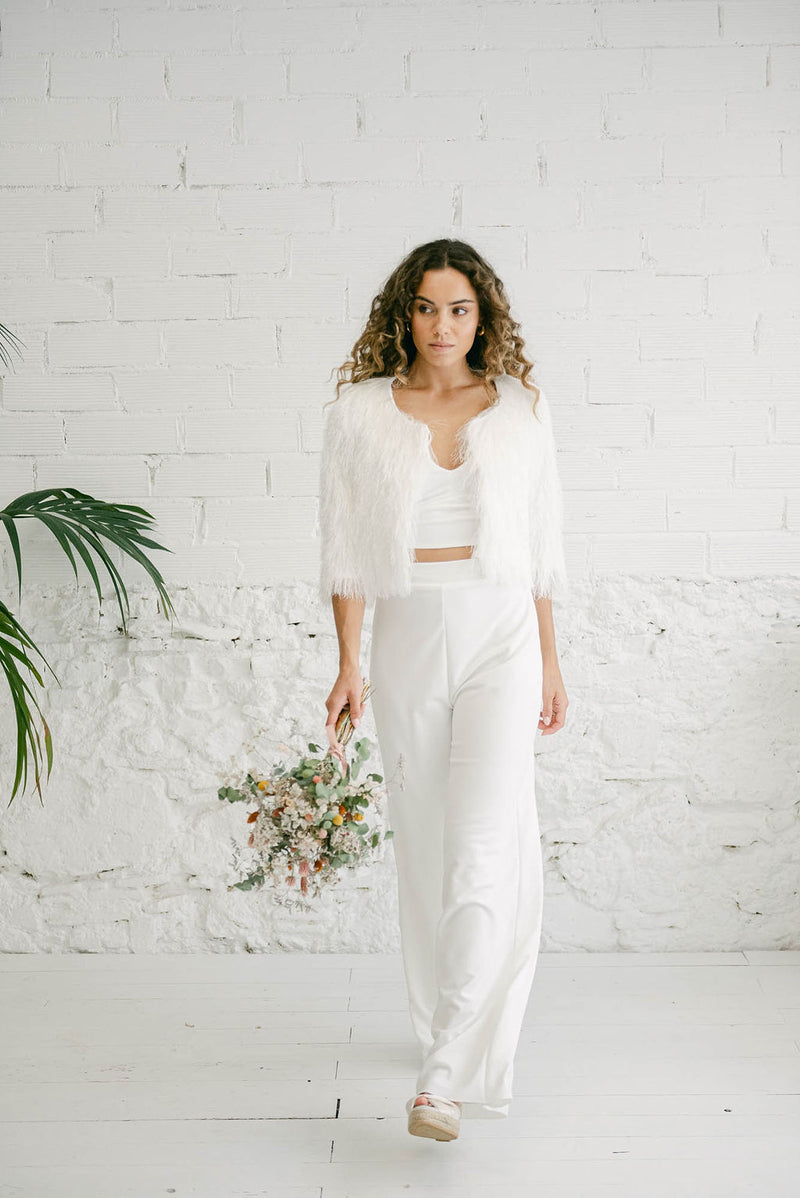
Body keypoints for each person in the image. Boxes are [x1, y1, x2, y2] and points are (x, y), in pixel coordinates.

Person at [319, 238, 569, 1142]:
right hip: (409, 633)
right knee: (425, 846)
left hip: (500, 633)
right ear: (403, 314)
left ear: (483, 316)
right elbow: (345, 553)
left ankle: (444, 1073)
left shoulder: (519, 410)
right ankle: (441, 1021)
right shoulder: (358, 415)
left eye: (458, 308)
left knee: (478, 847)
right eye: (426, 307)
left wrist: (549, 658)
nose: (441, 325)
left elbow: (541, 547)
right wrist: (349, 663)